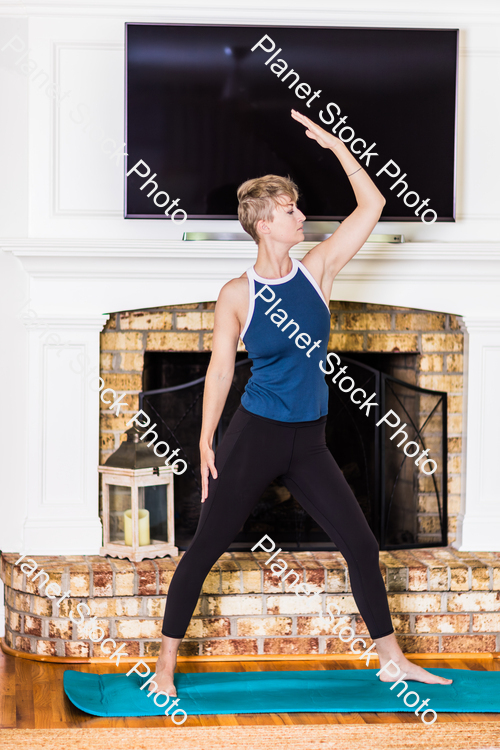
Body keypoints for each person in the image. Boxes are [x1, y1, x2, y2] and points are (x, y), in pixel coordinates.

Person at [151, 110, 453, 697]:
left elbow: (371, 207)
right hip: (255, 434)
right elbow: (218, 369)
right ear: (264, 224)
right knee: (206, 546)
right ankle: (163, 666)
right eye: (289, 209)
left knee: (361, 544)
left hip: (309, 438)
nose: (300, 214)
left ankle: (392, 659)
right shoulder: (237, 293)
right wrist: (207, 437)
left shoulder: (317, 271)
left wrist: (339, 146)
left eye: (296, 205)